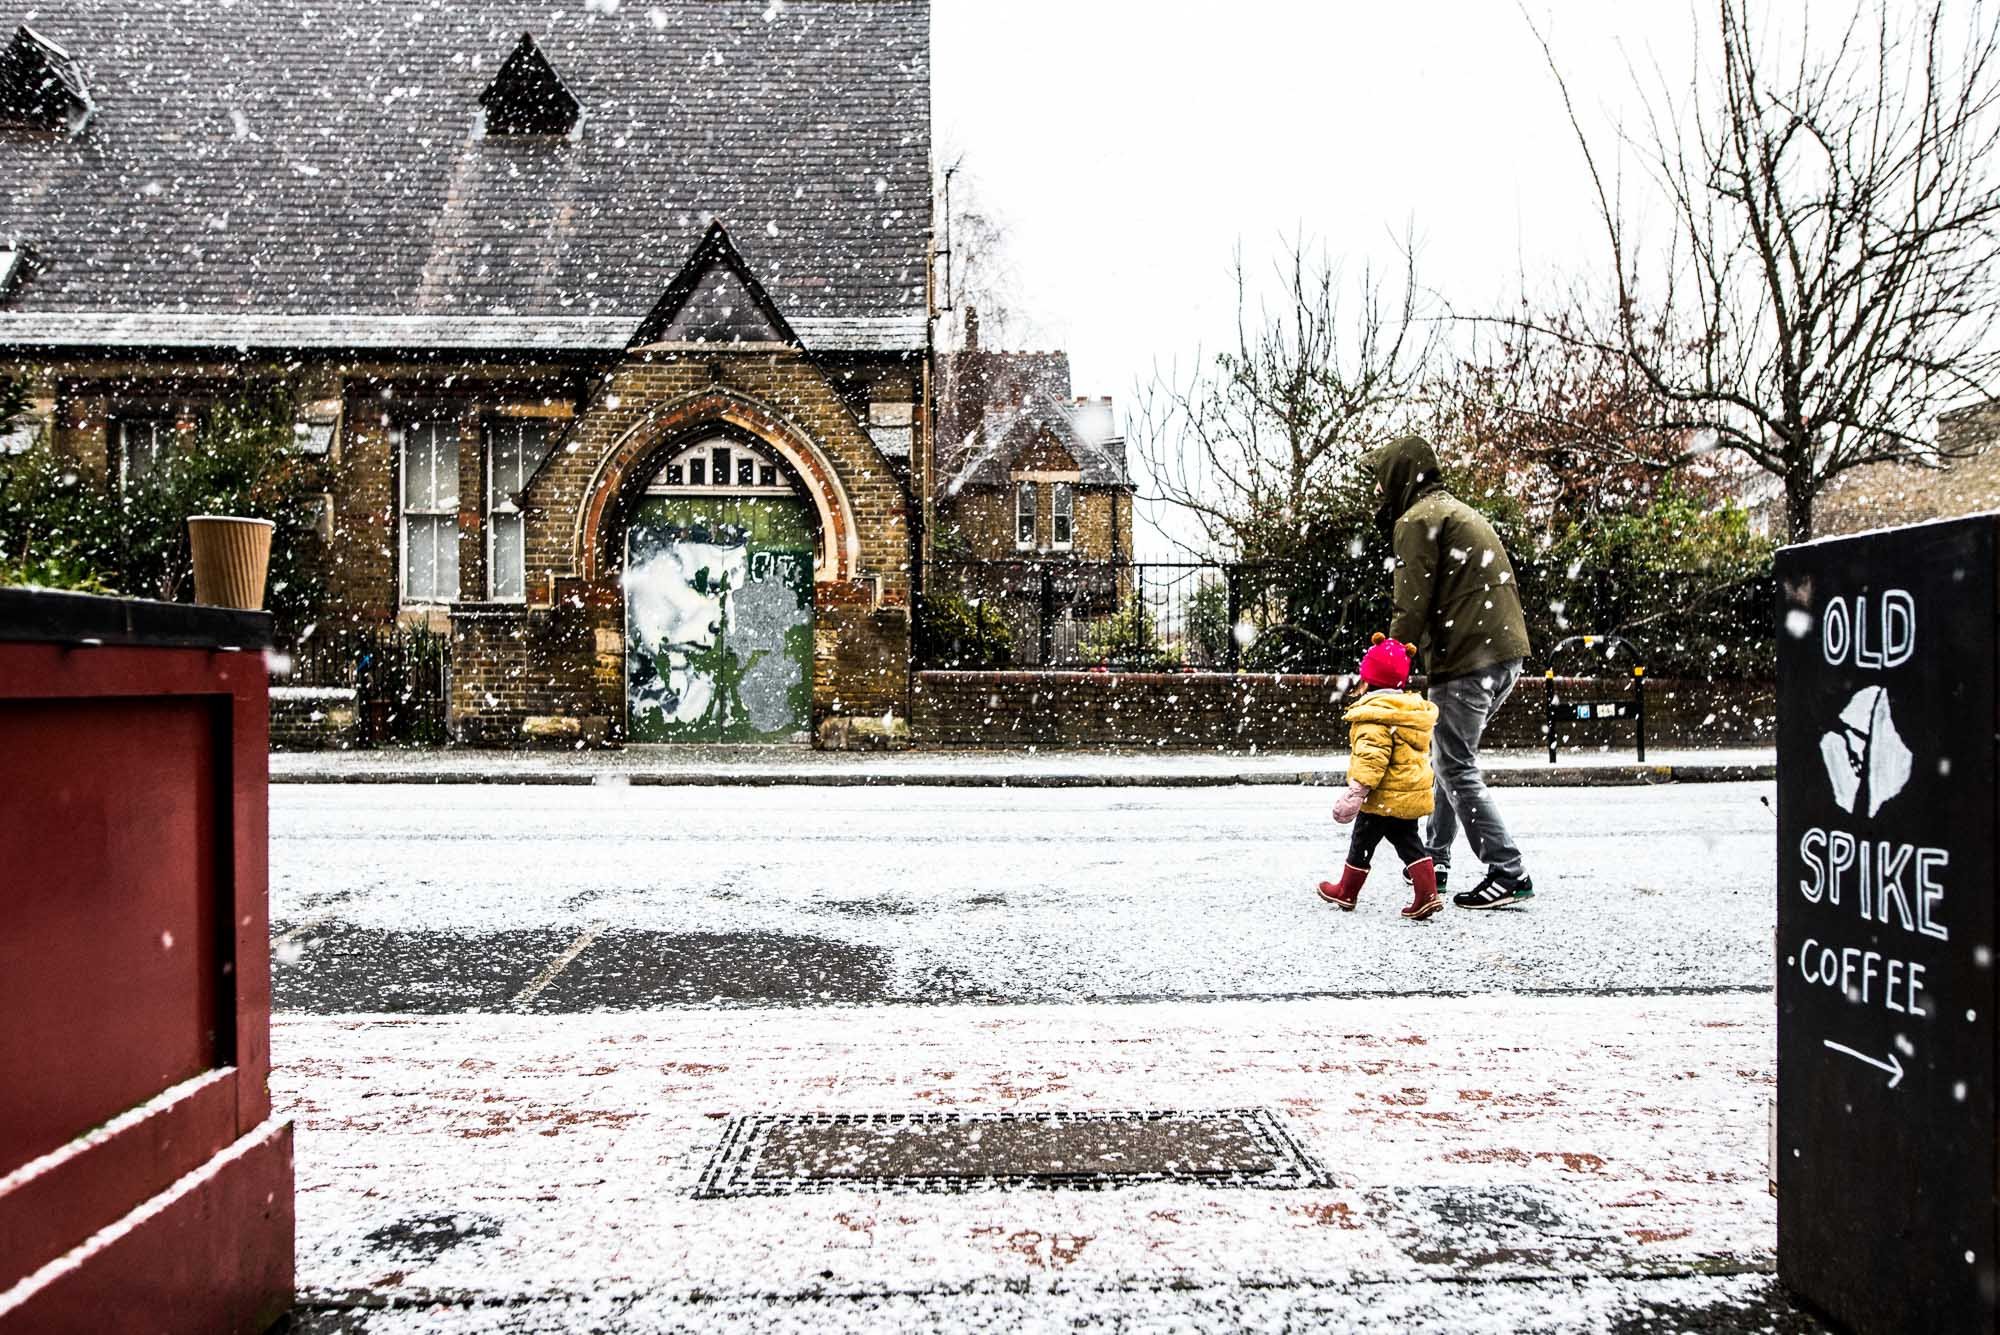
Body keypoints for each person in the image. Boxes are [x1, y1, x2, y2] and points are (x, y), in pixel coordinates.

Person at [1368, 433, 1535, 910]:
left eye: (1382, 482)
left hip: (1467, 657)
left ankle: (1507, 868)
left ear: (1398, 476)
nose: (1379, 492)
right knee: (1448, 757)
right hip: (1502, 654)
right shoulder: (1457, 511)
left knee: (1454, 763)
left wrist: (1388, 667)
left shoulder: (1417, 521)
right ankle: (1435, 858)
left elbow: (1411, 604)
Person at [1319, 634, 1443, 921]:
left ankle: (1347, 891)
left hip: (1382, 796)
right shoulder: (1407, 712)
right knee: (1409, 841)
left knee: (1362, 839)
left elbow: (1371, 760)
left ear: (1367, 681)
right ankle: (1427, 893)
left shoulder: (1376, 717)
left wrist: (1356, 793)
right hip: (1407, 792)